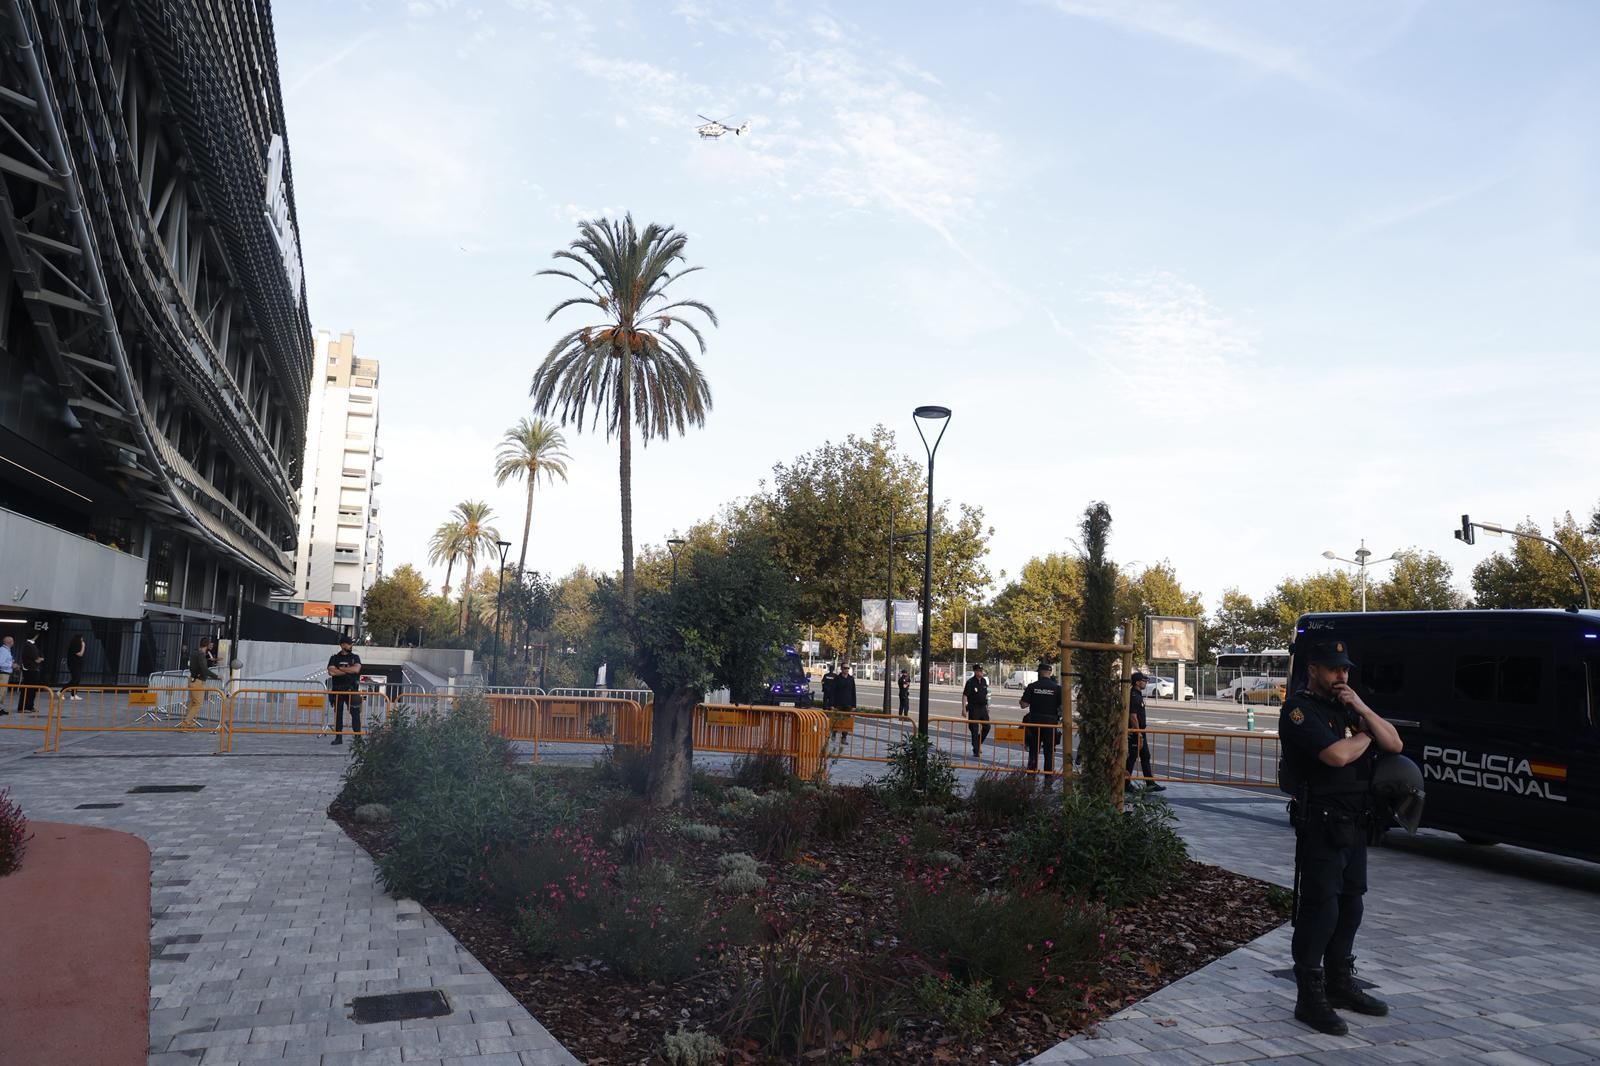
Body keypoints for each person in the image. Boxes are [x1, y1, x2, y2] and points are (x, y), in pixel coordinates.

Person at [1279, 639, 1403, 1036]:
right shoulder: (1299, 710)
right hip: (1321, 823)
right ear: (1313, 669)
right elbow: (1336, 755)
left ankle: (1339, 982)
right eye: (1333, 669)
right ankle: (1309, 996)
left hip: (1355, 822)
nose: (1342, 675)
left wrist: (1363, 712)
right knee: (1321, 910)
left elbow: (1396, 743)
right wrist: (1367, 734)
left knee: (1351, 907)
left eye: (1345, 669)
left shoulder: (1348, 709)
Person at [1018, 662, 1063, 774]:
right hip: (1050, 724)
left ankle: (1031, 775)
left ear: (1040, 672)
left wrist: (1021, 701)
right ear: (1050, 673)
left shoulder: (1032, 686)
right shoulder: (1057, 688)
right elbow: (1062, 707)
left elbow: (1024, 705)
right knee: (1049, 752)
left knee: (1033, 750)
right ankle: (1048, 778)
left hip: (1035, 724)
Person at [1126, 671, 1163, 791]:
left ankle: (1150, 783)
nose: (1146, 683)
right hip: (1135, 732)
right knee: (1132, 757)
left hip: (1140, 732)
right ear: (1137, 682)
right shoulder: (1134, 696)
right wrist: (1138, 733)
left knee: (1145, 756)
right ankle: (1125, 783)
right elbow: (1133, 716)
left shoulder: (1137, 694)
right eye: (1144, 681)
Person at [327, 636, 364, 744]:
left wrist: (340, 669)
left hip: (351, 690)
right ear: (342, 645)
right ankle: (338, 738)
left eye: (351, 644)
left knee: (355, 714)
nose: (350, 646)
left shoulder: (355, 657)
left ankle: (357, 737)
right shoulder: (334, 658)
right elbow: (331, 672)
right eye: (348, 644)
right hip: (338, 690)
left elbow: (356, 669)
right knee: (338, 715)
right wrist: (349, 670)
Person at [180, 636, 219, 730]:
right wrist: (216, 676)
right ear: (207, 644)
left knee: (193, 702)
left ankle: (188, 721)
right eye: (210, 643)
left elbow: (197, 666)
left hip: (193, 679)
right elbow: (204, 669)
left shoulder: (195, 653)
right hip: (198, 680)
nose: (212, 645)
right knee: (197, 703)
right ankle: (187, 722)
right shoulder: (201, 654)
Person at [963, 665, 991, 757]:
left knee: (987, 727)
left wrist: (988, 706)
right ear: (975, 672)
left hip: (983, 708)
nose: (981, 672)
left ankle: (978, 743)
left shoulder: (983, 681)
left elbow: (986, 694)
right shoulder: (970, 682)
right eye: (979, 671)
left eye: (981, 671)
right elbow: (965, 696)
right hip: (974, 708)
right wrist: (963, 708)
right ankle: (976, 750)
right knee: (974, 729)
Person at [64, 634, 86, 700]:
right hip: (73, 665)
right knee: (75, 679)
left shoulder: (77, 645)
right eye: (82, 639)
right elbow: (80, 654)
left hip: (78, 664)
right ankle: (61, 691)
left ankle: (73, 695)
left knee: (77, 679)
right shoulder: (74, 645)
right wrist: (83, 646)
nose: (82, 640)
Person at [0, 635, 14, 714]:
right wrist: (11, 665)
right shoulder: (4, 651)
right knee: (1, 692)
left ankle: (0, 708)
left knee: (3, 692)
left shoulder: (6, 650)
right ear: (9, 642)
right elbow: (1, 663)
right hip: (3, 674)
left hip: (5, 674)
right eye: (12, 641)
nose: (13, 642)